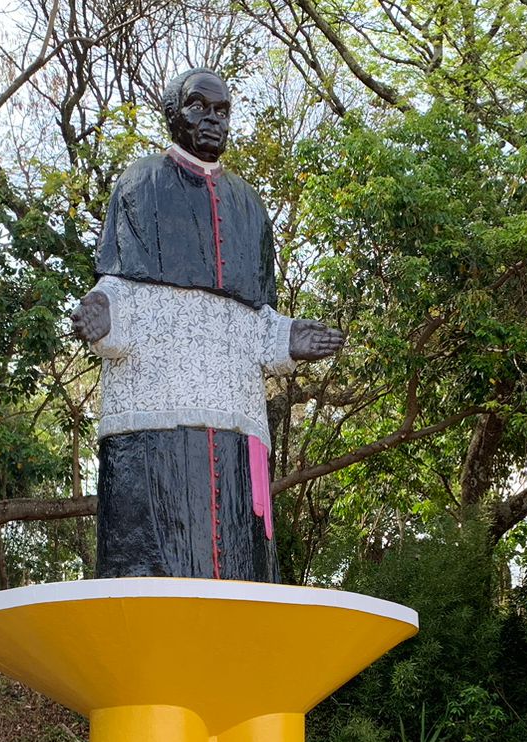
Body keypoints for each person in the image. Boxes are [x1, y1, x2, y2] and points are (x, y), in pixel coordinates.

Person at [71, 68, 345, 582]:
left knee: (241, 563)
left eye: (223, 112)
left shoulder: (250, 205)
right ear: (174, 113)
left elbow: (256, 322)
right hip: (153, 422)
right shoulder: (140, 183)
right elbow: (120, 288)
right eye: (200, 107)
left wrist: (288, 338)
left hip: (238, 425)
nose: (213, 121)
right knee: (156, 561)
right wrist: (103, 315)